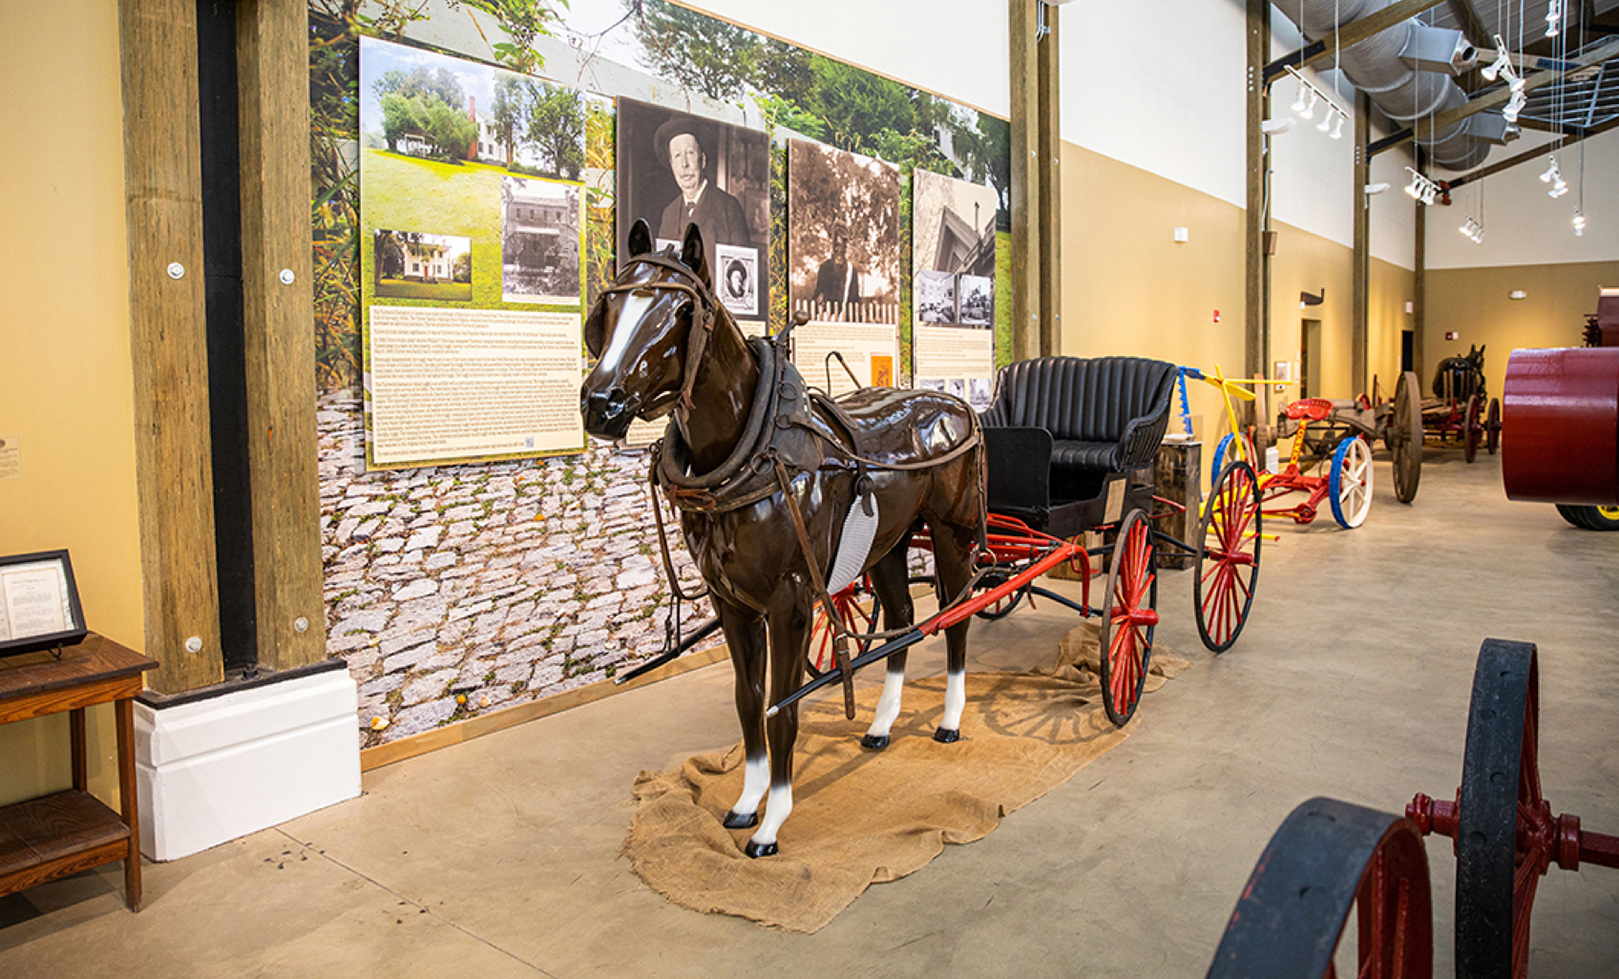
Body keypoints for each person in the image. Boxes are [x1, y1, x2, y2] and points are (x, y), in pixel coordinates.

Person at [654, 117, 751, 260]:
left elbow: (742, 272)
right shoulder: (669, 213)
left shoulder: (729, 207)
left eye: (690, 154)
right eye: (677, 156)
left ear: (703, 160)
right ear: (672, 165)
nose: (684, 164)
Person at [812, 222, 862, 311]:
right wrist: (819, 300)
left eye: (842, 247)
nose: (839, 250)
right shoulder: (824, 268)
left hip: (846, 317)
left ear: (846, 248)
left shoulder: (851, 270)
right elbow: (818, 294)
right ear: (833, 247)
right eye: (837, 246)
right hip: (827, 317)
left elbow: (854, 298)